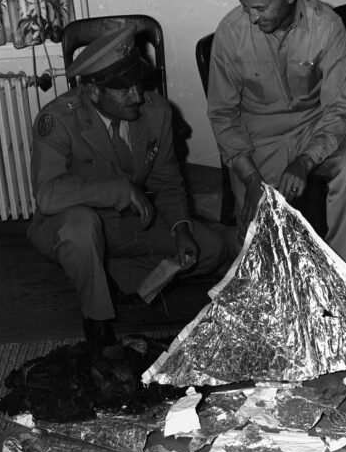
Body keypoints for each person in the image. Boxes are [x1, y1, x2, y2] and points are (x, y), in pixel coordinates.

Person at [28, 24, 228, 352]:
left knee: (210, 249)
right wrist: (118, 190)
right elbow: (48, 194)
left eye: (138, 83)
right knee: (80, 228)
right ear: (93, 91)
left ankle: (112, 278)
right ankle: (97, 319)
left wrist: (180, 228)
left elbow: (167, 181)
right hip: (74, 224)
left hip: (131, 226)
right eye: (124, 89)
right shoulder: (58, 120)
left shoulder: (157, 112)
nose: (137, 95)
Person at [207, 0, 346, 271]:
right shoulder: (231, 32)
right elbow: (223, 116)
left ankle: (341, 281)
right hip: (258, 137)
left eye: (260, 7)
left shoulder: (326, 25)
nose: (252, 18)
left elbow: (340, 109)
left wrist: (307, 158)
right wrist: (251, 179)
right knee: (259, 251)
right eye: (245, 6)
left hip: (315, 126)